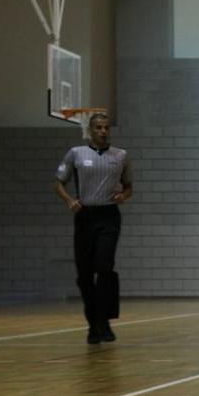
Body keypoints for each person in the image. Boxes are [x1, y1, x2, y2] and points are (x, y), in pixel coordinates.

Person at [55, 112, 133, 344]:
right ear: (91, 130)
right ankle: (94, 324)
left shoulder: (121, 156)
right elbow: (58, 182)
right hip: (85, 216)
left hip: (108, 215)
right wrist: (70, 200)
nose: (103, 131)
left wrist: (123, 196)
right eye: (98, 127)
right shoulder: (76, 154)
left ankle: (104, 319)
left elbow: (129, 186)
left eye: (106, 127)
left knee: (104, 267)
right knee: (84, 275)